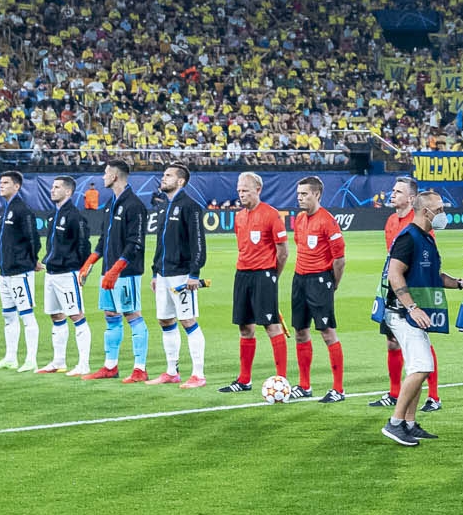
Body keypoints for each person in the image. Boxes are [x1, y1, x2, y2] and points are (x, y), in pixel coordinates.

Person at [379, 188, 463, 444]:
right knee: (423, 366)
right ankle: (394, 423)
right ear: (425, 211)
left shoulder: (425, 237)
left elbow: (433, 276)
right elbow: (395, 274)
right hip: (403, 313)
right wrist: (412, 307)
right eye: (439, 210)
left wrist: (458, 283)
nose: (443, 214)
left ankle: (409, 423)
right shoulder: (409, 237)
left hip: (413, 313)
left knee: (420, 368)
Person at [82, 159, 151, 380]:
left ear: (114, 176)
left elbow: (136, 243)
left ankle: (140, 369)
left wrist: (116, 269)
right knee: (111, 315)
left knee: (132, 315)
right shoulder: (111, 203)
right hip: (108, 270)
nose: (103, 177)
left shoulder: (135, 205)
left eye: (105, 173)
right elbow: (105, 238)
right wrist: (90, 263)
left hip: (125, 273)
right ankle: (110, 366)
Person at [145, 163, 209, 389]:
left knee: (187, 320)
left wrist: (194, 273)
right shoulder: (163, 207)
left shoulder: (189, 206)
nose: (163, 178)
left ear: (180, 181)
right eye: (163, 174)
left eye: (168, 175)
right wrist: (154, 271)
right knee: (165, 320)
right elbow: (160, 243)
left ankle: (198, 375)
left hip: (182, 275)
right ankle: (172, 371)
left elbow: (198, 243)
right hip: (163, 274)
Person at [224, 170, 288, 393]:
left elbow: (283, 252)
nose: (241, 194)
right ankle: (244, 380)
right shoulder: (239, 217)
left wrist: (272, 276)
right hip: (242, 274)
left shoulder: (271, 215)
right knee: (244, 327)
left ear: (258, 190)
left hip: (264, 274)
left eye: (245, 190)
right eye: (239, 190)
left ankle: (281, 380)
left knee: (271, 326)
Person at [288, 176, 346, 400]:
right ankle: (304, 386)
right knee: (300, 332)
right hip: (299, 279)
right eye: (299, 194)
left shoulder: (328, 221)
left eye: (305, 194)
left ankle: (338, 389)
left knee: (327, 332)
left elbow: (339, 259)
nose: (300, 198)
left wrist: (333, 284)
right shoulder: (300, 219)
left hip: (320, 280)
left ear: (317, 195)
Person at [41, 174, 93, 375]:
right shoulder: (53, 215)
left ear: (68, 191)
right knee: (56, 315)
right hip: (51, 272)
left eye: (57, 187)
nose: (52, 190)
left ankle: (84, 364)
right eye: (52, 187)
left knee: (76, 315)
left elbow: (84, 245)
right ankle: (58, 361)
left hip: (67, 273)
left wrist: (81, 269)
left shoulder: (75, 216)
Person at [0, 170, 44, 372]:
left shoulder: (22, 210)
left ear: (17, 186)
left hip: (20, 271)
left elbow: (33, 239)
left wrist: (32, 261)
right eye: (0, 182)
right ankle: (10, 357)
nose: (1, 185)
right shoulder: (2, 209)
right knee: (8, 316)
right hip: (4, 271)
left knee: (26, 314)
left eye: (6, 182)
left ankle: (31, 359)